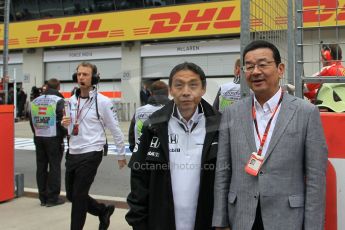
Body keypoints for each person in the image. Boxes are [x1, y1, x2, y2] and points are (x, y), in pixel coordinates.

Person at [212, 40, 328, 230]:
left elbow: (316, 177)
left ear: (280, 69)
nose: (255, 71)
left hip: (287, 218)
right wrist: (220, 221)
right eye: (249, 66)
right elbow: (223, 170)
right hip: (241, 217)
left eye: (263, 64)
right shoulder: (232, 113)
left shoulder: (306, 112)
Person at [126, 62, 221, 230]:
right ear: (170, 90)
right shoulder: (153, 126)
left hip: (208, 222)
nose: (186, 92)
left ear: (203, 89)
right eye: (179, 85)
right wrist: (138, 222)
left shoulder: (219, 125)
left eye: (193, 85)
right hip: (161, 222)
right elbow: (139, 177)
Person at [61, 62, 127, 230]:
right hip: (73, 151)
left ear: (94, 78)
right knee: (71, 194)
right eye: (79, 74)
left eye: (85, 74)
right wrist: (65, 123)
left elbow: (115, 129)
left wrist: (121, 155)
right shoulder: (69, 101)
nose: (81, 77)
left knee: (79, 196)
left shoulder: (103, 102)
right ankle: (103, 211)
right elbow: (70, 129)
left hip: (92, 151)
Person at [30, 78, 66, 207]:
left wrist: (37, 133)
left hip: (38, 137)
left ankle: (43, 197)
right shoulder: (59, 101)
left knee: (41, 167)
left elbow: (31, 120)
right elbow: (63, 121)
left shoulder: (35, 101)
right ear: (58, 87)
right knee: (54, 167)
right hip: (54, 138)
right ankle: (52, 198)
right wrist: (64, 135)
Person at [128, 80, 170, 152]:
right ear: (168, 93)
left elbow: (132, 133)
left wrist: (133, 147)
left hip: (141, 153)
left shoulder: (139, 111)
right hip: (165, 155)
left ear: (151, 93)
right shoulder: (173, 110)